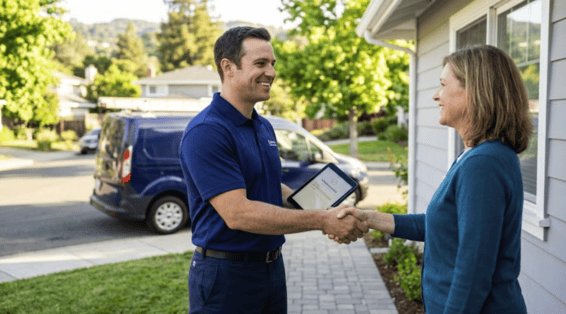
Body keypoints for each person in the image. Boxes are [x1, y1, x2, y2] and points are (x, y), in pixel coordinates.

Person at [179, 26, 368, 313]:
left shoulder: (263, 125)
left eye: (272, 64)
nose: (271, 72)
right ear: (228, 67)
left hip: (271, 268)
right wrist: (321, 220)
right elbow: (238, 213)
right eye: (260, 63)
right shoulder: (208, 131)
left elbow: (266, 185)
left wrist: (308, 204)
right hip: (226, 276)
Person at [336, 45, 532, 313]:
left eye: (443, 85)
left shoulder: (483, 164)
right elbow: (444, 227)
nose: (435, 96)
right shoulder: (478, 155)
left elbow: (473, 270)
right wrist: (369, 218)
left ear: (474, 91)